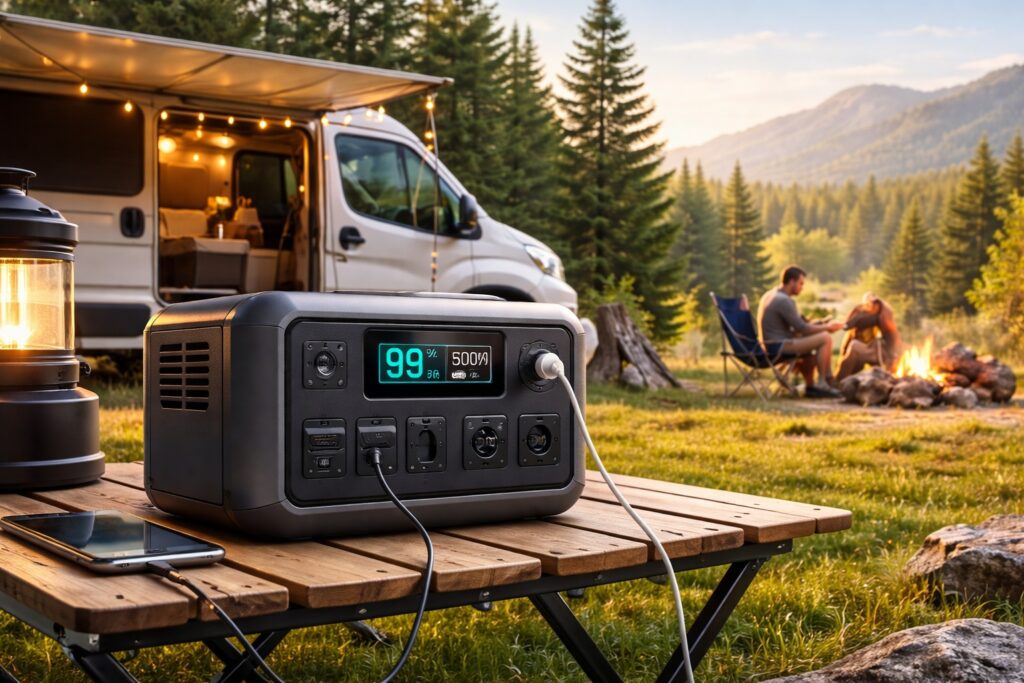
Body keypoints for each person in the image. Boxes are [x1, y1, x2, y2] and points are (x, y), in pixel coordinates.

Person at [757, 266, 843, 398]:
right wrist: (827, 327)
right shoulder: (784, 301)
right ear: (791, 281)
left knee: (812, 349)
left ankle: (811, 387)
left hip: (769, 344)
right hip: (778, 346)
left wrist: (820, 323)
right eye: (801, 283)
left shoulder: (770, 295)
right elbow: (802, 329)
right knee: (825, 338)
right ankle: (824, 382)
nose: (802, 287)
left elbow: (797, 326)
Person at [836, 293, 903, 381]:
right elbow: (848, 326)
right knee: (854, 348)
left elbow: (890, 334)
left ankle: (840, 381)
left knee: (855, 346)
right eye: (869, 303)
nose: (872, 306)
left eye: (874, 303)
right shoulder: (863, 312)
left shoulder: (881, 315)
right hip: (867, 348)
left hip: (879, 352)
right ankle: (840, 381)